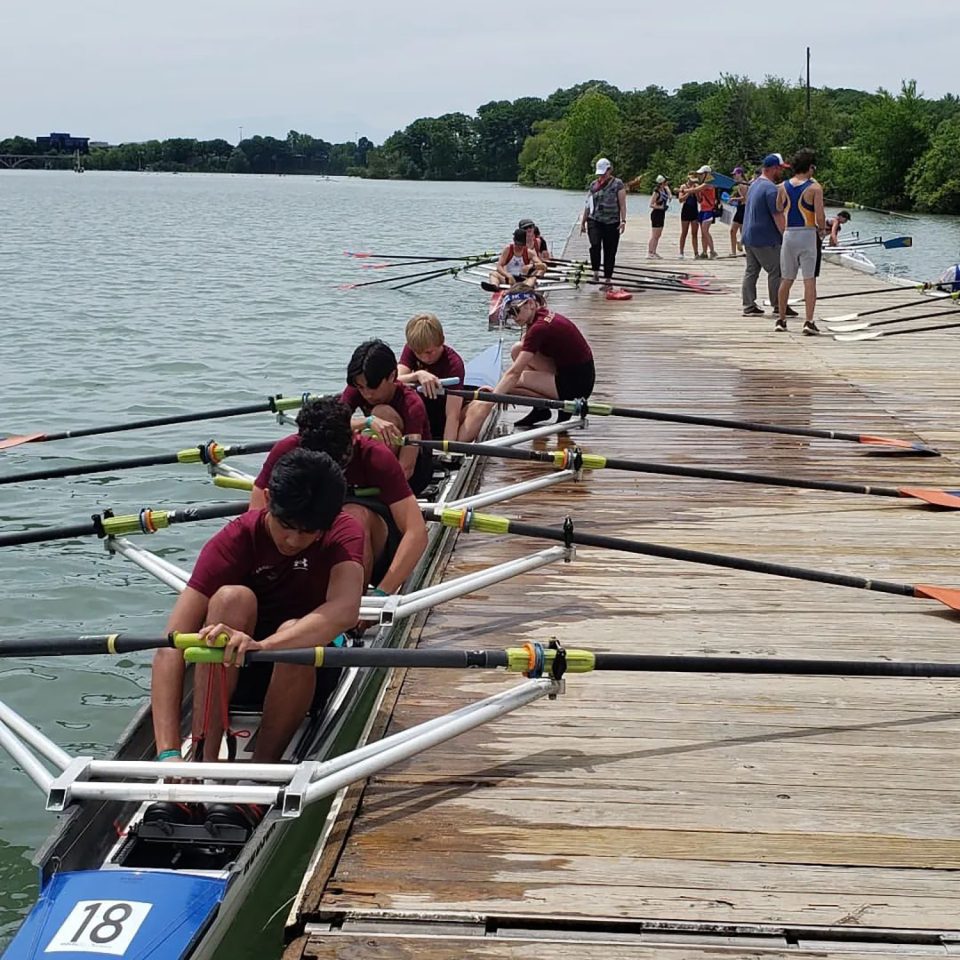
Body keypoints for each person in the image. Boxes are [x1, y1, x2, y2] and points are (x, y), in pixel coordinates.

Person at [147, 448, 364, 828]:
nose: (294, 540)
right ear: (266, 499)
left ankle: (261, 773)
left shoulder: (344, 532)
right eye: (286, 525)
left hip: (309, 668)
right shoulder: (236, 537)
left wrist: (266, 646)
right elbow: (170, 646)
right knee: (230, 600)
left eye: (308, 532)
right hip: (237, 668)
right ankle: (200, 766)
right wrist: (167, 754)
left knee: (292, 631)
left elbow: (345, 611)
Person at [251, 397, 428, 600]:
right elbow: (255, 519)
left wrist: (383, 592)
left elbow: (416, 532)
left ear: (353, 438)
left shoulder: (375, 455)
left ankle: (351, 602)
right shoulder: (287, 450)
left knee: (352, 518)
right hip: (313, 530)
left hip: (373, 539)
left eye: (338, 466)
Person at [461, 285, 595, 436]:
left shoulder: (539, 328)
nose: (513, 317)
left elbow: (514, 373)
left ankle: (562, 408)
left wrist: (493, 398)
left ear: (530, 304)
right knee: (517, 350)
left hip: (576, 387)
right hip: (577, 374)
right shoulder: (541, 315)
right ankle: (541, 410)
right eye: (509, 313)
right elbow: (523, 354)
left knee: (512, 383)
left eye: (515, 311)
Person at [342, 339, 434, 495]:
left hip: (415, 470)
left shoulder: (412, 403)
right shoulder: (357, 388)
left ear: (392, 376)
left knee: (382, 412)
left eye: (373, 386)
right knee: (343, 431)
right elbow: (335, 421)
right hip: (378, 463)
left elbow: (407, 468)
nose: (367, 394)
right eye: (361, 387)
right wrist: (367, 421)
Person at [741, 153, 797, 320]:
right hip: (764, 238)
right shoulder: (771, 190)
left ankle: (749, 305)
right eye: (780, 168)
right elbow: (778, 216)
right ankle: (778, 305)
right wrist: (787, 238)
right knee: (777, 270)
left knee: (751, 271)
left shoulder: (755, 184)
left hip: (748, 235)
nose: (782, 172)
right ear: (773, 169)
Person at [776, 148, 826, 336]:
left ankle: (781, 320)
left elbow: (779, 207)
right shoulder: (815, 188)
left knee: (786, 279)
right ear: (810, 167)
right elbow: (820, 217)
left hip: (789, 235)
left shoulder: (782, 186)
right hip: (807, 235)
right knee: (809, 280)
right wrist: (822, 230)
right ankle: (808, 322)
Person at [397, 312, 467, 441]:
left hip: (445, 419)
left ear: (441, 341)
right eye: (419, 353)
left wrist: (446, 448)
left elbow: (452, 416)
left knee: (482, 406)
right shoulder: (412, 348)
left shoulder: (454, 363)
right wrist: (418, 374)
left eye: (429, 352)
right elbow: (395, 379)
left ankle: (453, 448)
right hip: (420, 418)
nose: (425, 358)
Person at [580, 157, 627, 286]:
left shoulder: (618, 184)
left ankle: (607, 278)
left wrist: (623, 220)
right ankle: (595, 272)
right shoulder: (593, 185)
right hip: (595, 220)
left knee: (610, 250)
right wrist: (583, 221)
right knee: (595, 245)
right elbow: (588, 205)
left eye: (604, 173)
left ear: (609, 170)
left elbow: (622, 205)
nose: (602, 176)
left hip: (612, 222)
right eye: (600, 173)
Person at [486, 227, 545, 291]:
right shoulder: (507, 249)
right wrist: (508, 275)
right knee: (493, 274)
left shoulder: (529, 252)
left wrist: (531, 266)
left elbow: (543, 266)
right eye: (517, 244)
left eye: (521, 244)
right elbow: (499, 266)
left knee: (533, 279)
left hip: (523, 280)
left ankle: (524, 289)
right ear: (514, 240)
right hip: (509, 278)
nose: (519, 247)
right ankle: (495, 286)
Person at [690, 165, 718, 259]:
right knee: (703, 232)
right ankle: (704, 252)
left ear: (707, 174)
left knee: (705, 231)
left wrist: (683, 190)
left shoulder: (709, 184)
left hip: (709, 210)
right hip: (702, 210)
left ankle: (712, 251)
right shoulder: (703, 184)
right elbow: (699, 200)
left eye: (701, 174)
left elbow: (695, 189)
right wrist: (696, 192)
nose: (700, 176)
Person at [648, 175, 672, 259]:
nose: (667, 183)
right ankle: (650, 252)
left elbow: (670, 195)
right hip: (656, 214)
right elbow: (651, 204)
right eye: (665, 182)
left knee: (658, 235)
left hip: (662, 214)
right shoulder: (656, 192)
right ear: (662, 183)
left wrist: (668, 192)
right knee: (654, 235)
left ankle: (654, 251)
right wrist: (660, 207)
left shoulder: (664, 190)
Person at [678, 175, 700, 259]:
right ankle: (681, 252)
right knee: (684, 232)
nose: (693, 182)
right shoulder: (683, 187)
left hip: (694, 211)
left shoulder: (697, 186)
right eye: (692, 180)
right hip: (686, 210)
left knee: (694, 233)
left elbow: (699, 200)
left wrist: (696, 192)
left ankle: (696, 253)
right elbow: (680, 199)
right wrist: (689, 192)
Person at [728, 167, 748, 256]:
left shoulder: (743, 185)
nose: (734, 176)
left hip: (743, 209)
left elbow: (745, 198)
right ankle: (736, 250)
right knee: (739, 231)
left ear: (740, 174)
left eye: (735, 174)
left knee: (734, 231)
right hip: (741, 208)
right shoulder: (741, 184)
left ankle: (736, 250)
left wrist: (733, 199)